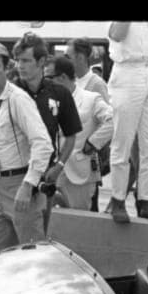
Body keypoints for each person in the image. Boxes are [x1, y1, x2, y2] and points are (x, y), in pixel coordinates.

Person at [0, 40, 52, 252]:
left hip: (20, 185)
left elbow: (43, 143)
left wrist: (28, 184)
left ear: (7, 68)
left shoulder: (18, 100)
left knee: (32, 255)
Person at [13, 33, 81, 233]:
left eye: (26, 60)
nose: (20, 66)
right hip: (12, 175)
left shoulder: (60, 93)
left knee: (38, 236)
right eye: (17, 60)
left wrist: (58, 166)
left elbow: (71, 136)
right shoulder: (10, 92)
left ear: (41, 61)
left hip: (45, 176)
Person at [106, 22, 148, 223]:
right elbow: (117, 34)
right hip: (128, 70)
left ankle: (146, 200)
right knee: (123, 142)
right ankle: (117, 199)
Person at [49, 55, 113, 212]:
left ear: (63, 77)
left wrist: (93, 143)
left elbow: (113, 120)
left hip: (79, 170)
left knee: (78, 220)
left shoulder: (90, 99)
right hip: (51, 170)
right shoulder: (48, 100)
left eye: (49, 77)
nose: (45, 82)